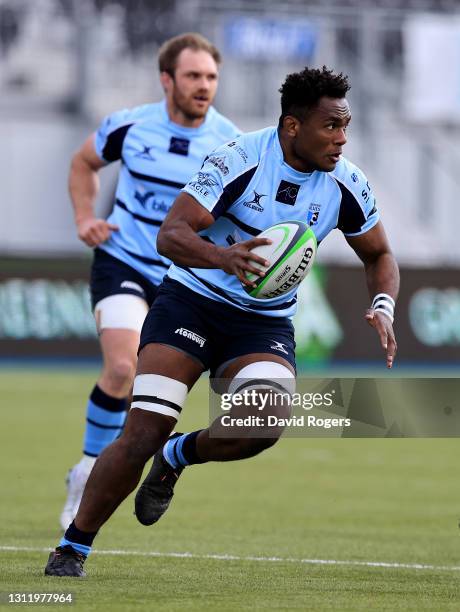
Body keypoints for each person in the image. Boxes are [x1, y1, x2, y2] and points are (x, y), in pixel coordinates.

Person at [46, 66, 399, 577]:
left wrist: (382, 305)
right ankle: (72, 546)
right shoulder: (239, 159)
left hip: (262, 324)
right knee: (143, 430)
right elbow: (172, 233)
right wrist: (224, 259)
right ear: (292, 126)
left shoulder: (346, 183)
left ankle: (177, 456)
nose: (342, 139)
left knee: (263, 423)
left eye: (346, 126)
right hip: (191, 303)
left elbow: (380, 253)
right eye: (330, 126)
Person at [59, 32, 240, 531]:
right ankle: (87, 472)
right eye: (193, 76)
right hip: (122, 262)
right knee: (120, 367)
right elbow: (83, 163)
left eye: (211, 77)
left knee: (150, 386)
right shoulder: (131, 125)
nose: (204, 86)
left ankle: (137, 463)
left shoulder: (229, 142)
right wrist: (83, 219)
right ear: (167, 80)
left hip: (181, 279)